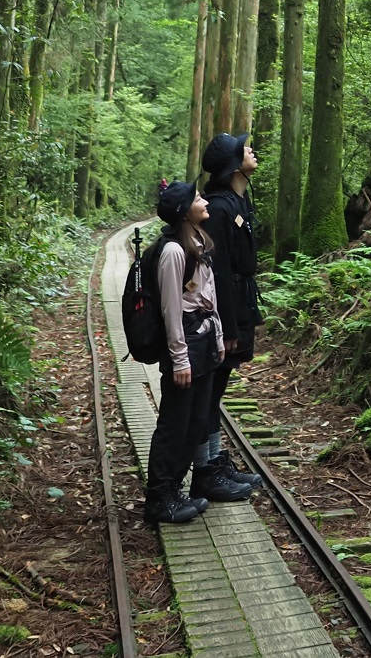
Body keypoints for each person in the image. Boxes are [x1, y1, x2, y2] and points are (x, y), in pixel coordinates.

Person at [143, 180, 247, 525]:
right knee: (174, 423)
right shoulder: (173, 251)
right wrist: (179, 358)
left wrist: (217, 341)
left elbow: (210, 297)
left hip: (203, 343)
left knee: (196, 422)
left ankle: (174, 490)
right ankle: (159, 496)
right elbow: (171, 308)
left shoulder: (200, 242)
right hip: (186, 346)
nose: (204, 201)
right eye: (197, 198)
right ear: (184, 210)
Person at [195, 132, 264, 494]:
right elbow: (216, 271)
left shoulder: (239, 201)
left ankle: (215, 461)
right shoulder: (220, 208)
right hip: (225, 308)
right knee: (209, 390)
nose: (251, 150)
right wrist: (227, 326)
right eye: (244, 149)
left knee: (217, 390)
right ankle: (205, 472)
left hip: (240, 299)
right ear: (234, 165)